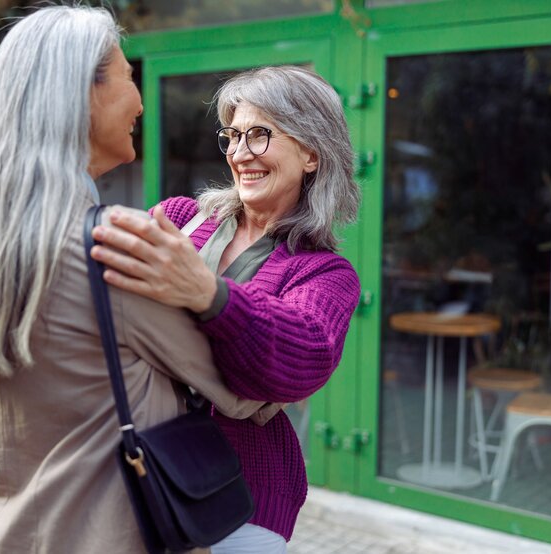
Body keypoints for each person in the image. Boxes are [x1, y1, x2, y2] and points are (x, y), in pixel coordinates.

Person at [0, 6, 277, 553]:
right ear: (81, 93)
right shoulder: (111, 248)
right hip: (100, 531)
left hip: (2, 524)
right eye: (129, 77)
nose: (141, 102)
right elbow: (243, 393)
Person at [91, 65, 362, 552]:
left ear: (311, 152)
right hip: (142, 466)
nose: (239, 154)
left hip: (240, 493)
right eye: (233, 136)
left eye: (260, 135)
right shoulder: (179, 218)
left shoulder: (324, 274)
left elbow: (299, 361)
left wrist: (208, 294)